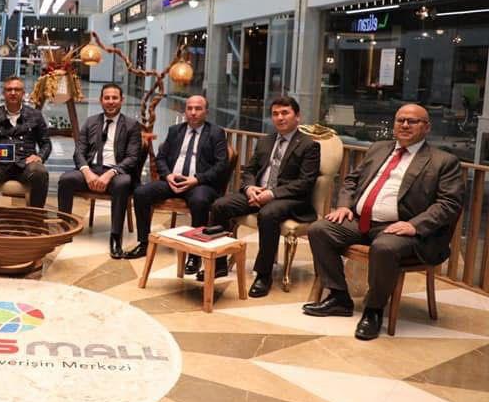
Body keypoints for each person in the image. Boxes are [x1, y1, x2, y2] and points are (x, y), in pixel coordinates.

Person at [303, 104, 464, 340]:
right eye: (400, 120)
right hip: (361, 221)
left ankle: (373, 310)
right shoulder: (378, 149)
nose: (405, 125)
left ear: (427, 127)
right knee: (319, 230)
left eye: (412, 121)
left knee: (384, 247)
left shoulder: (443, 161)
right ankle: (339, 297)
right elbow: (352, 180)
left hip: (403, 229)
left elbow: (449, 204)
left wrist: (415, 225)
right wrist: (344, 206)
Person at [210, 96, 321, 297]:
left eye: (285, 113)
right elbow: (249, 170)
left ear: (297, 116)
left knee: (268, 214)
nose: (280, 117)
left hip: (289, 199)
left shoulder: (309, 145)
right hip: (258, 192)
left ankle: (263, 275)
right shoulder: (265, 141)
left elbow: (305, 183)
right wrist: (249, 188)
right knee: (220, 205)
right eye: (275, 114)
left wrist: (272, 193)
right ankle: (218, 264)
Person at [124, 95, 229, 263]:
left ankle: (195, 254)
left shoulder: (216, 133)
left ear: (206, 112)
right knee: (141, 193)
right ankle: (144, 243)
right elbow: (161, 158)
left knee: (200, 201)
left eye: (198, 109)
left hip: (199, 184)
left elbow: (221, 165)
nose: (193, 112)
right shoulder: (175, 130)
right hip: (173, 181)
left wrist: (196, 179)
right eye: (189, 108)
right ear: (185, 111)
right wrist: (168, 175)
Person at [57, 83, 142, 258]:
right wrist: (87, 172)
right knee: (66, 179)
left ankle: (115, 237)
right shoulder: (91, 122)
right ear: (101, 100)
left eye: (114, 98)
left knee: (123, 184)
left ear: (121, 100)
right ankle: (64, 228)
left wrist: (110, 173)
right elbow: (79, 152)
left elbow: (132, 158)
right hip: (91, 170)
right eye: (107, 98)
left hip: (116, 173)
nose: (110, 101)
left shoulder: (132, 125)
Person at [0, 76, 51, 210]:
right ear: (3, 93)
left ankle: (36, 216)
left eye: (17, 89)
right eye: (9, 90)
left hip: (26, 164)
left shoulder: (35, 115)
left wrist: (40, 157)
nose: (13, 93)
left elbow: (46, 143)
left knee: (40, 172)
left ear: (23, 93)